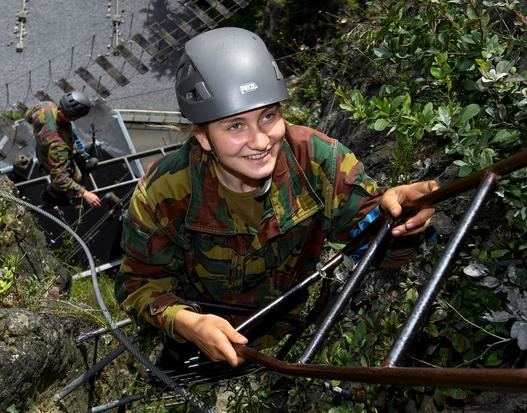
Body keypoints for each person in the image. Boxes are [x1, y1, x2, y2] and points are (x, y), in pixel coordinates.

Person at [115, 27, 439, 368]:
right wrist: (186, 322)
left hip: (291, 333)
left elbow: (377, 253)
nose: (259, 141)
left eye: (268, 116)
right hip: (202, 343)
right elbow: (138, 284)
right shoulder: (165, 191)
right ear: (204, 137)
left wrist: (401, 220)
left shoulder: (317, 160)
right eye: (235, 126)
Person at [25, 91, 101, 208]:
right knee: (73, 178)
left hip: (42, 149)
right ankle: (49, 195)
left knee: (79, 160)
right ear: (75, 117)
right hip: (50, 160)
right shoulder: (59, 145)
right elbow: (60, 179)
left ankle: (78, 167)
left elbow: (28, 116)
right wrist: (84, 193)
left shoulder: (46, 106)